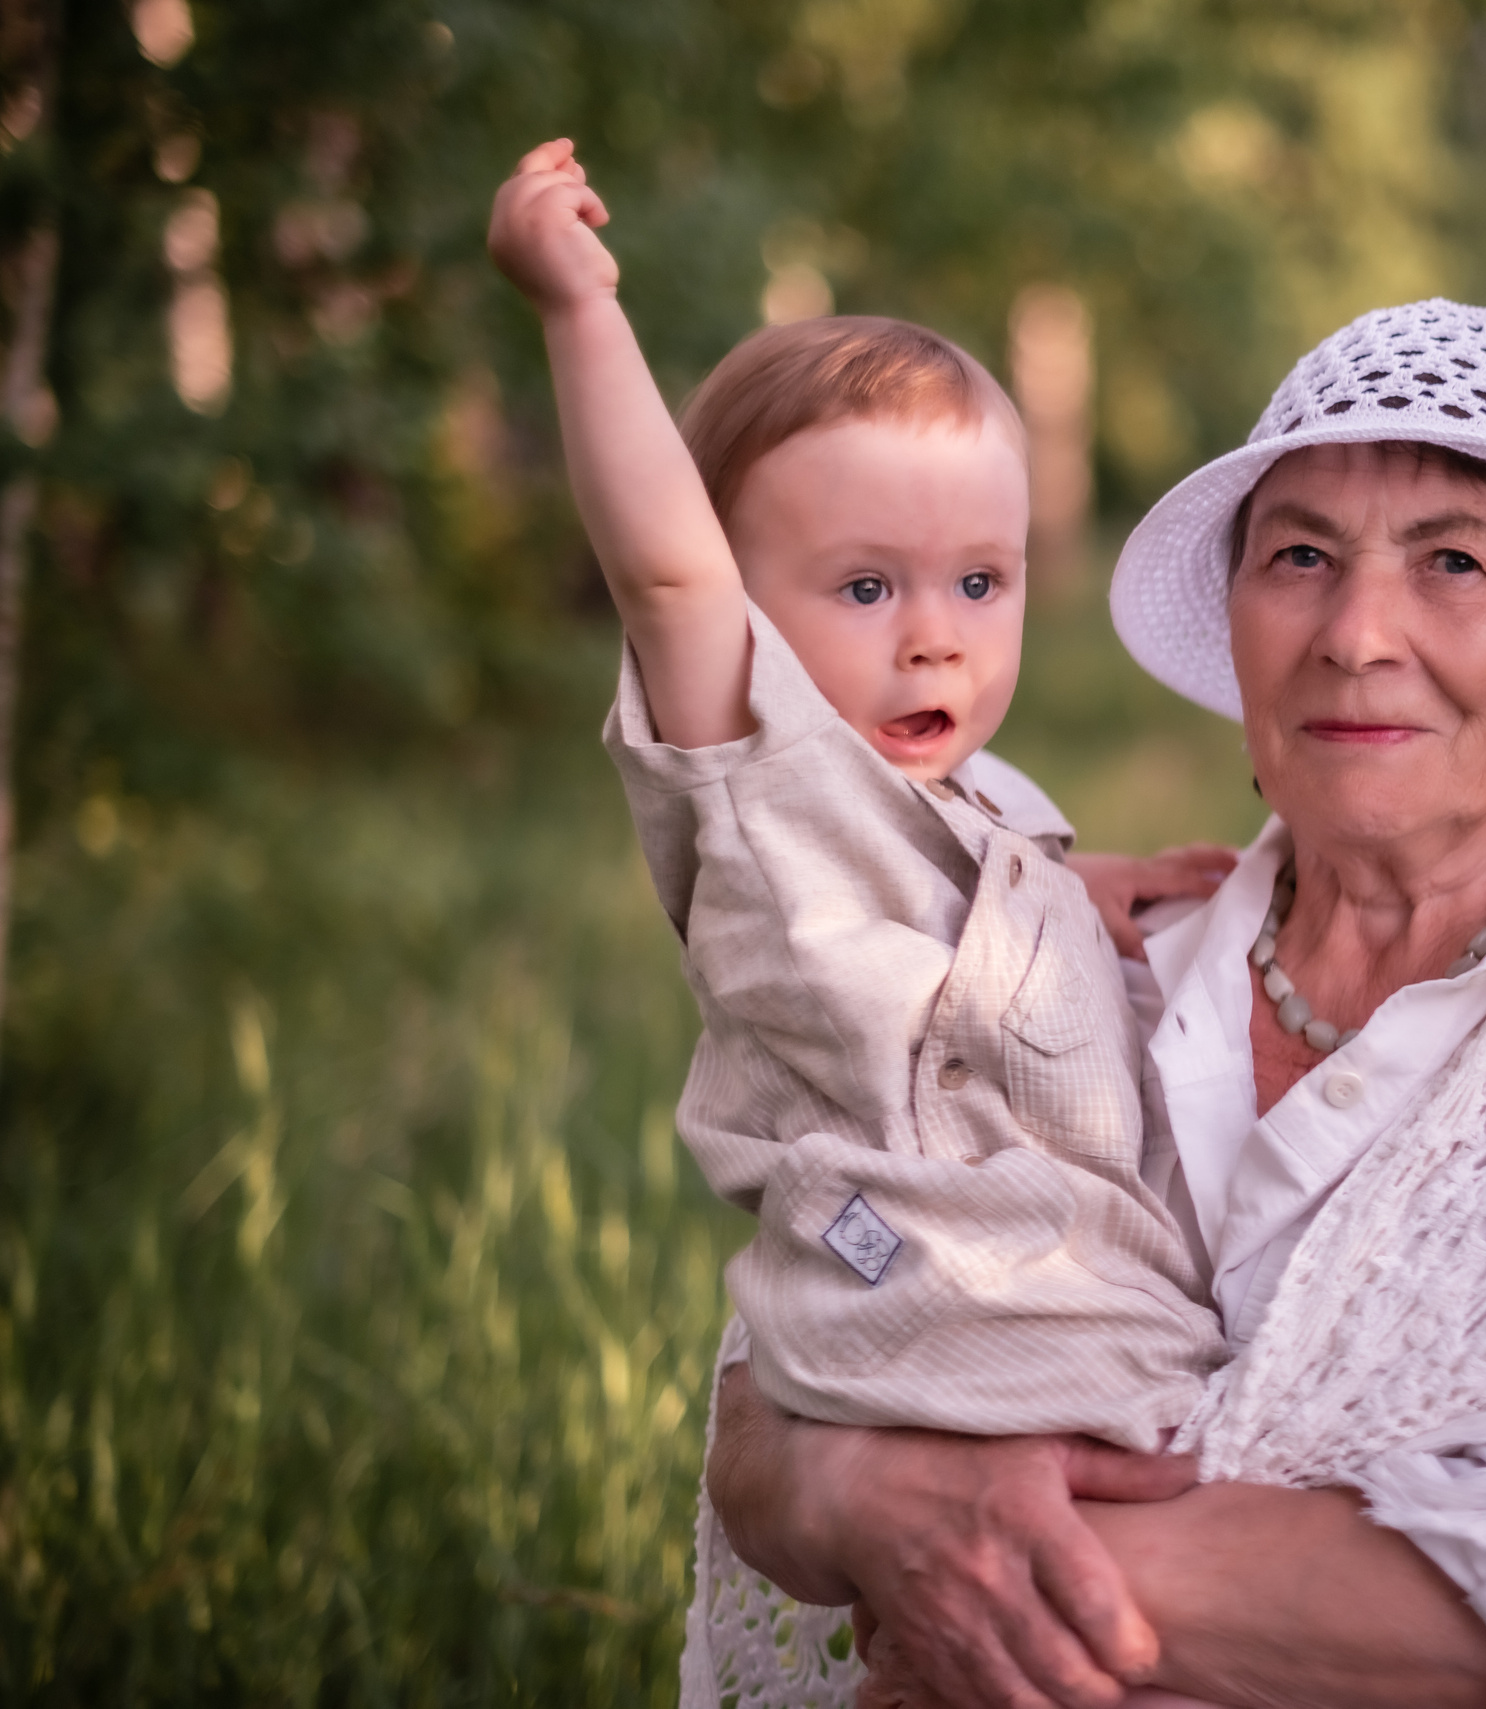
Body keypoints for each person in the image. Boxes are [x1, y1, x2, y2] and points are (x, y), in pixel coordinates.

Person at [685, 299, 1486, 1709]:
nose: (1356, 632)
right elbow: (790, 1348)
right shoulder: (1074, 959)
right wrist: (856, 1484)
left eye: (1454, 559)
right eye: (1300, 556)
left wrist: (988, 1561)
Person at [485, 139, 1235, 1458]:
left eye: (979, 583)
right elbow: (665, 569)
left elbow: (958, 915)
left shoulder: (973, 792)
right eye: (868, 587)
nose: (935, 638)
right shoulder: (763, 766)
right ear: (744, 614)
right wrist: (576, 308)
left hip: (1069, 1308)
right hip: (930, 1308)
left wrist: (1078, 892)